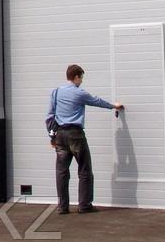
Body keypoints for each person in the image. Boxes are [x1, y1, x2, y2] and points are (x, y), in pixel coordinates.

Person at [46, 64, 123, 214]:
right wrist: (114, 106)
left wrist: (52, 136)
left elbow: (49, 116)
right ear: (75, 77)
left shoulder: (56, 92)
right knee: (84, 170)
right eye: (81, 78)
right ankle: (84, 205)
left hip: (60, 135)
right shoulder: (79, 93)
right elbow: (97, 101)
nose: (81, 81)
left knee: (61, 172)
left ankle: (62, 206)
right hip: (75, 135)